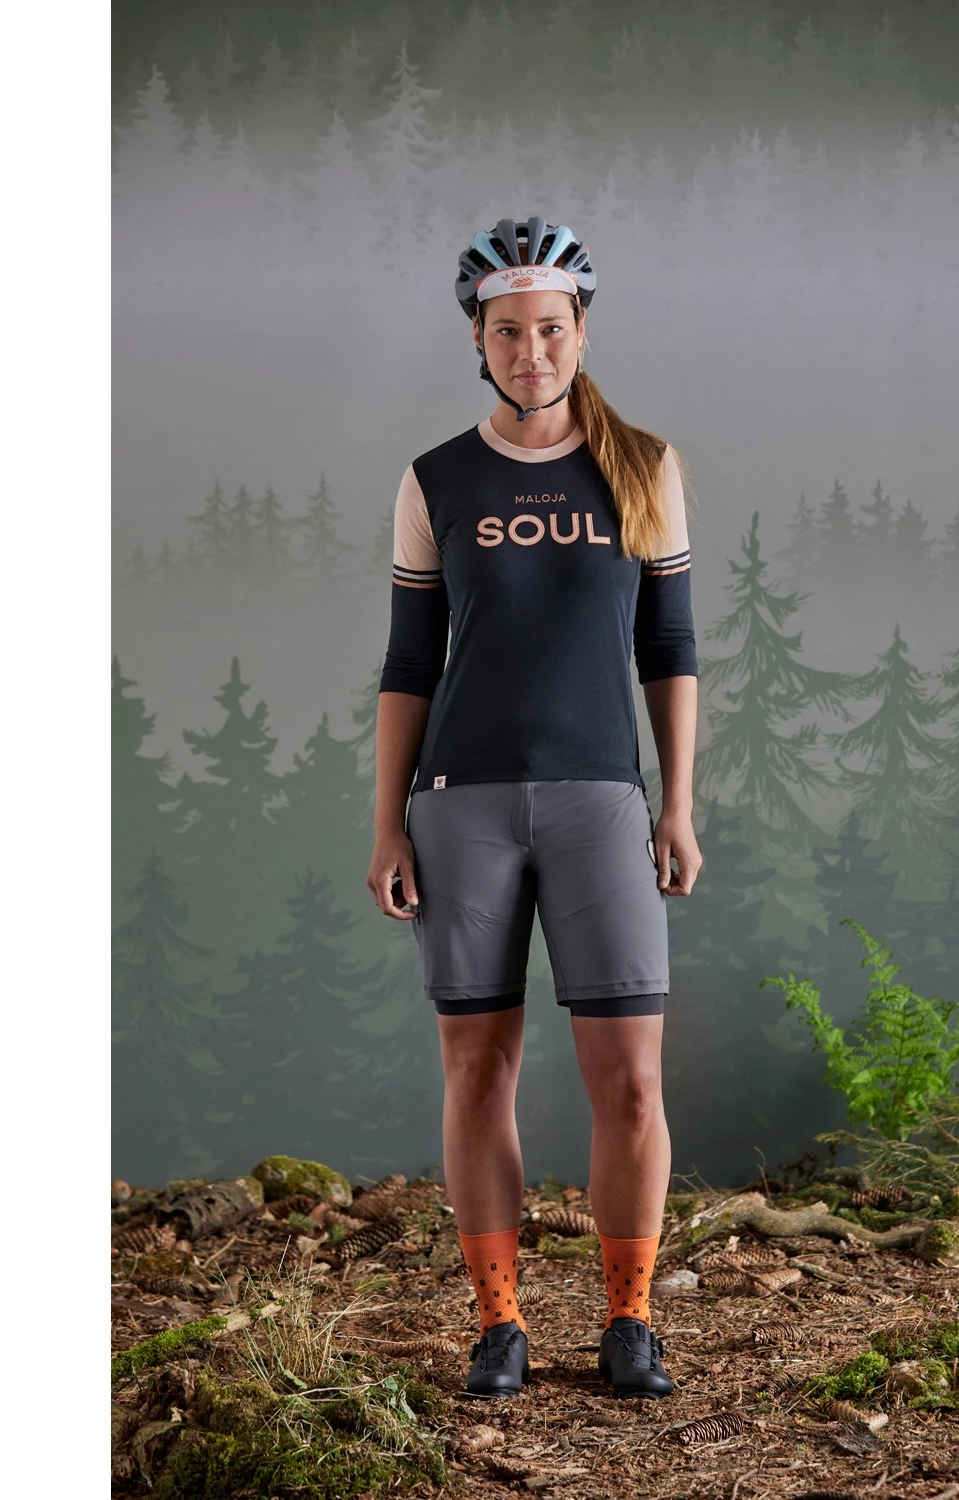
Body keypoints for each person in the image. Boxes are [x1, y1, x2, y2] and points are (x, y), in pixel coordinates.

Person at [368, 216, 701, 1400]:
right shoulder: (436, 480)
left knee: (633, 1082)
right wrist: (387, 822)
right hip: (461, 807)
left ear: (581, 331)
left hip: (602, 802)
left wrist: (677, 805)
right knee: (477, 1073)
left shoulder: (644, 466)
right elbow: (410, 664)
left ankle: (630, 1319)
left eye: (550, 328)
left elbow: (670, 648)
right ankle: (499, 1323)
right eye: (507, 331)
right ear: (478, 340)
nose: (531, 350)